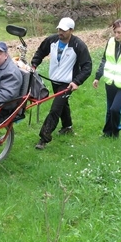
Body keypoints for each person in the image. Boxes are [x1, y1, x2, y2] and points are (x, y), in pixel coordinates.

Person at [31, 17, 92, 150]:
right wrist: (34, 64)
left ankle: (44, 138)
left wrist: (77, 82)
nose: (60, 32)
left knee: (55, 108)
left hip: (67, 83)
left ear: (71, 30)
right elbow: (41, 52)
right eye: (59, 29)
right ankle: (67, 127)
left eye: (63, 30)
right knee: (63, 104)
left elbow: (87, 67)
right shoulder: (52, 40)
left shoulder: (78, 45)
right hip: (54, 79)